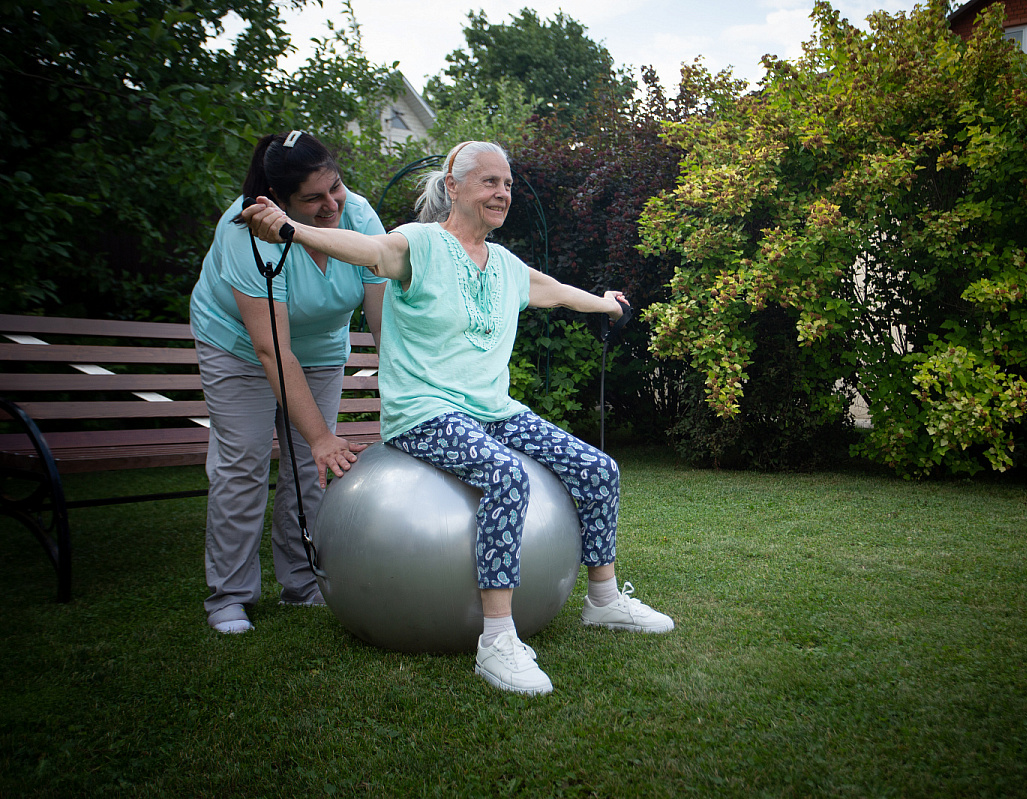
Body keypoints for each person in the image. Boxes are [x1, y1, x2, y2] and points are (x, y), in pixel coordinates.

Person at [242, 140, 674, 694]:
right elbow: (365, 250)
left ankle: (604, 600)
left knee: (598, 470)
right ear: (454, 186)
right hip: (425, 412)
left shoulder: (506, 267)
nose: (502, 193)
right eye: (489, 181)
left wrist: (607, 303)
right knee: (505, 476)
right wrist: (292, 230)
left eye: (508, 184)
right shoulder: (418, 245)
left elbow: (559, 292)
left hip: (492, 410)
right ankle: (496, 640)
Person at [190, 131, 387, 634]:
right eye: (313, 199)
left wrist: (408, 396)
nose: (331, 205)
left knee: (309, 470)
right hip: (237, 347)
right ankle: (229, 596)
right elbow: (270, 349)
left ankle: (302, 583)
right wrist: (321, 436)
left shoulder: (359, 216)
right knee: (244, 462)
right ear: (277, 201)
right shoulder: (243, 233)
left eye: (335, 188)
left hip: (320, 349)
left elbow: (386, 324)